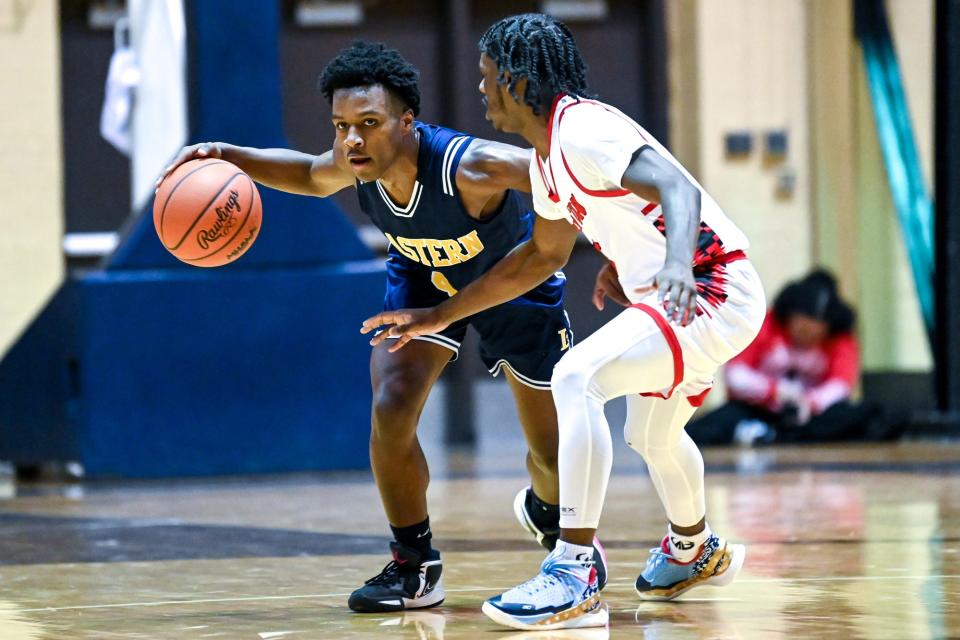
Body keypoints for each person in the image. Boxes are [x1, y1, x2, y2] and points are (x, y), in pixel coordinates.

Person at [158, 40, 606, 614]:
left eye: (368, 123)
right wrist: (229, 156)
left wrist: (618, 245)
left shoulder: (472, 166)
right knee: (392, 405)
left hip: (508, 285)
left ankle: (553, 519)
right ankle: (414, 565)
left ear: (407, 122)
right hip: (422, 277)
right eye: (341, 125)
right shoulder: (353, 161)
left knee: (547, 454)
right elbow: (307, 173)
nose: (351, 139)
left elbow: (564, 175)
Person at [362, 14, 766, 630]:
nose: (481, 90)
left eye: (488, 77)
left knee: (577, 375)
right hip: (678, 296)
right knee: (651, 436)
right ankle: (694, 549)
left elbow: (675, 189)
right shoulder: (548, 159)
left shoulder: (581, 129)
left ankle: (574, 568)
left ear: (521, 82)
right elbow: (539, 258)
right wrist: (438, 314)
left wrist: (677, 265)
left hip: (708, 288)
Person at [687, 269, 888, 445]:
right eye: (801, 328)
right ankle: (775, 433)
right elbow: (736, 375)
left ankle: (769, 435)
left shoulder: (841, 340)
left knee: (864, 415)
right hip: (758, 408)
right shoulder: (766, 325)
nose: (806, 336)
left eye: (814, 332)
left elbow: (841, 386)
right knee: (709, 426)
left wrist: (810, 402)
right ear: (790, 316)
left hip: (811, 413)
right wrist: (776, 392)